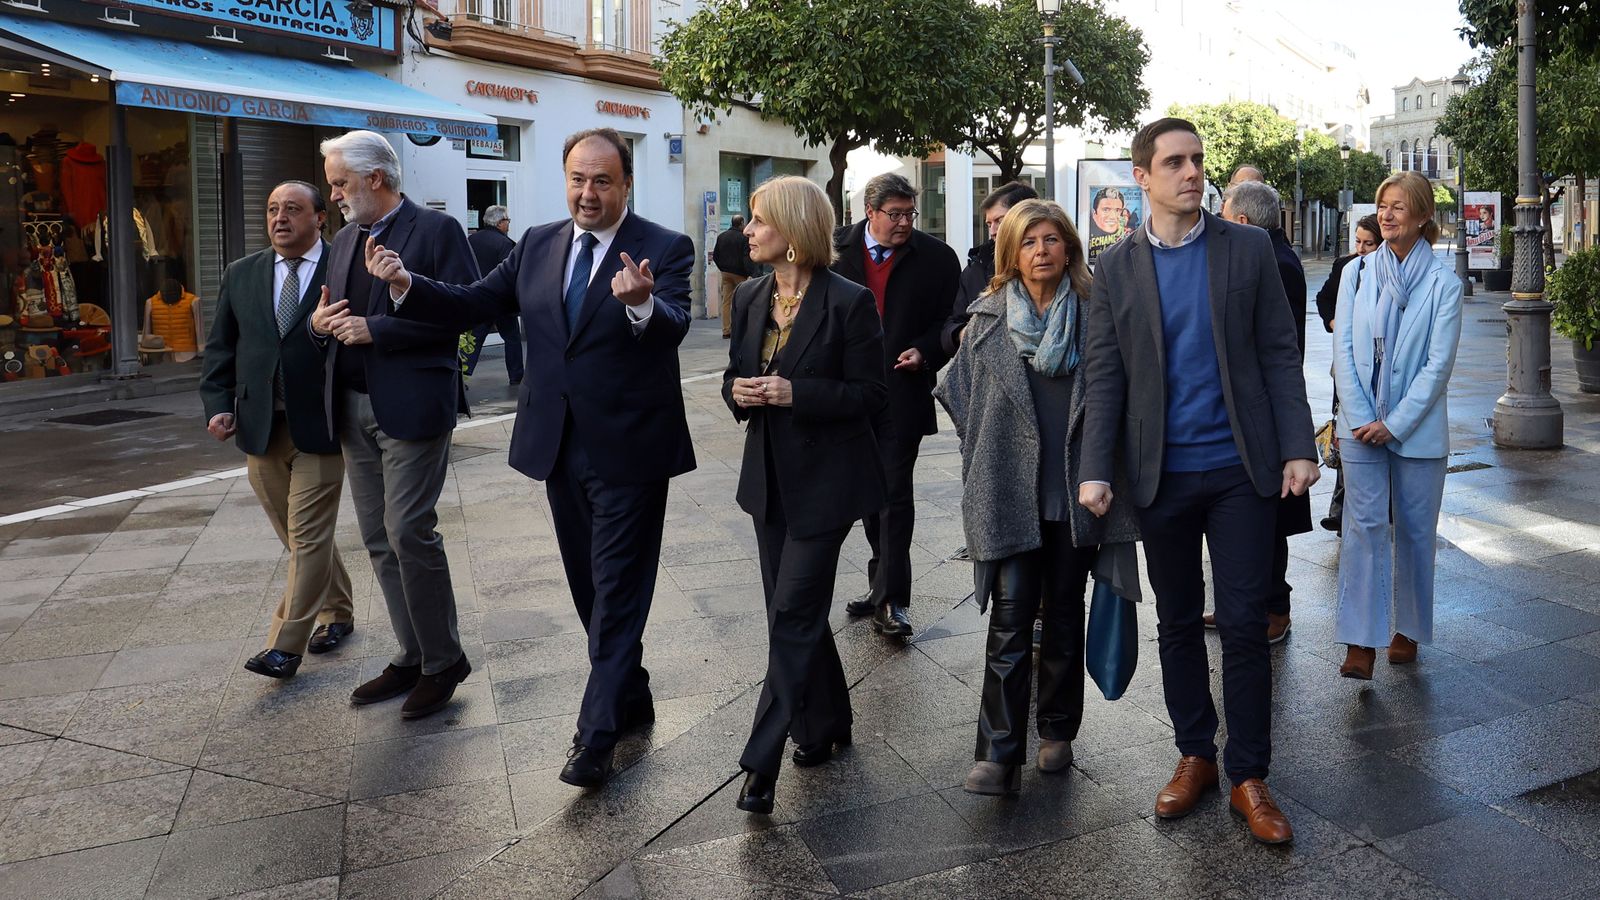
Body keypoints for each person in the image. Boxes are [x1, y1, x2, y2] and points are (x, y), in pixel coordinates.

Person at [365, 127, 696, 788]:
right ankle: (629, 693)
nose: (588, 193)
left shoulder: (664, 246)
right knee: (589, 591)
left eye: (602, 180)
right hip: (558, 445)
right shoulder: (540, 243)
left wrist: (641, 307)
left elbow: (676, 322)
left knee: (619, 592)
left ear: (626, 184)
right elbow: (473, 302)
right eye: (578, 178)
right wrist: (407, 285)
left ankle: (594, 736)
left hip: (630, 448)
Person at [1079, 118, 1318, 846]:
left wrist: (1298, 447)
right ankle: (1195, 755)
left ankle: (1249, 773)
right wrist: (1094, 467)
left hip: (1241, 470)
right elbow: (1105, 373)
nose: (1191, 173)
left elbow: (1280, 353)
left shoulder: (1244, 249)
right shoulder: (1115, 267)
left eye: (1197, 160)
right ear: (1143, 177)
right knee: (1178, 621)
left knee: (1245, 623)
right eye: (1175, 162)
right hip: (1161, 476)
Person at [934, 199, 1138, 795]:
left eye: (1051, 240)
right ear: (1011, 253)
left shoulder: (1098, 312)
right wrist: (987, 459)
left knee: (1065, 614)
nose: (1041, 251)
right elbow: (959, 395)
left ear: (1069, 248)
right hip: (1008, 490)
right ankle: (998, 753)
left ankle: (1056, 731)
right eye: (1029, 242)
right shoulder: (987, 320)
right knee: (1010, 616)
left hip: (1078, 490)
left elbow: (1117, 398)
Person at [723, 176, 887, 814]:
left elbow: (871, 397)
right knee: (792, 611)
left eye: (759, 219)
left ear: (791, 232)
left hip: (828, 483)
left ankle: (760, 761)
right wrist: (739, 393)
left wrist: (799, 394)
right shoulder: (750, 298)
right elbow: (739, 374)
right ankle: (824, 722)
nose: (748, 230)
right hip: (768, 482)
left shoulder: (848, 303)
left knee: (792, 610)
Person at [310, 130, 479, 720]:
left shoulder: (436, 232)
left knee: (409, 530)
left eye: (338, 183)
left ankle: (442, 660)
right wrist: (320, 323)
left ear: (374, 179)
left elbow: (465, 313)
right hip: (352, 404)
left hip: (410, 404)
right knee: (379, 540)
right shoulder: (344, 240)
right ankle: (411, 655)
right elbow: (332, 314)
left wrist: (380, 329)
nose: (333, 195)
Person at [200, 180, 355, 678]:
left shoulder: (345, 267)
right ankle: (339, 610)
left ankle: (284, 646)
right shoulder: (241, 274)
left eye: (292, 209)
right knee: (297, 536)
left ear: (319, 218)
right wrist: (219, 404)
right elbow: (222, 349)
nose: (279, 218)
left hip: (323, 422)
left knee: (307, 536)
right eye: (272, 209)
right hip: (260, 425)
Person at [1333, 172, 1462, 679]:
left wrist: (1397, 422)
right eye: (1383, 206)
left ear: (1424, 215)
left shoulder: (1444, 284)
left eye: (1399, 207)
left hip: (1418, 430)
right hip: (1360, 425)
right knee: (1362, 528)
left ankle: (1406, 628)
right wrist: (1365, 417)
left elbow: (1438, 365)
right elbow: (1343, 348)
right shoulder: (1357, 274)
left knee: (1414, 531)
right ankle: (1361, 640)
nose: (1386, 215)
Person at [832, 173, 960, 639]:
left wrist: (927, 350)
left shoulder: (937, 258)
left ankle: (892, 599)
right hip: (845, 396)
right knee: (866, 497)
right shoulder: (835, 250)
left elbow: (950, 321)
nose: (905, 222)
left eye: (911, 213)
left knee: (892, 497)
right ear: (870, 211)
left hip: (901, 393)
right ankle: (878, 583)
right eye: (895, 214)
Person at [1210, 179, 1309, 645]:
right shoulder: (1270, 253)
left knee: (1270, 523)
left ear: (1243, 221)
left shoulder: (1274, 260)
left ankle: (1274, 609)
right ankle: (1249, 605)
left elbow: (1279, 347)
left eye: (1225, 213)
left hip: (1265, 411)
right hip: (1256, 409)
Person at [1314, 215, 1381, 533]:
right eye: (1358, 241)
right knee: (1346, 433)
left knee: (1369, 435)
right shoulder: (1345, 266)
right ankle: (1340, 511)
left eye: (1369, 243)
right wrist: (1333, 324)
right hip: (1345, 362)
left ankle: (1364, 508)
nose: (1361, 249)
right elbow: (1324, 299)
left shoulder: (1388, 271)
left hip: (1378, 366)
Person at [942, 181, 1038, 356]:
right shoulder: (976, 268)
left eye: (1000, 221)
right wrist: (961, 334)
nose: (992, 231)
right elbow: (953, 324)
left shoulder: (1057, 265)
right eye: (988, 224)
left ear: (1027, 217)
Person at [464, 204, 524, 385]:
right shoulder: (504, 243)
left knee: (473, 339)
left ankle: (462, 374)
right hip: (501, 300)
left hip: (479, 297)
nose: (508, 225)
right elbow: (510, 272)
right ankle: (516, 376)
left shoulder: (471, 240)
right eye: (507, 221)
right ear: (499, 223)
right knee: (512, 338)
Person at [713, 215, 754, 338]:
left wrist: (723, 268)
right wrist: (750, 273)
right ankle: (743, 329)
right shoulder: (743, 238)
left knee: (726, 302)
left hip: (726, 274)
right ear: (741, 223)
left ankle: (726, 330)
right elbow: (746, 257)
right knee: (744, 300)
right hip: (740, 274)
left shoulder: (721, 236)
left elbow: (715, 256)